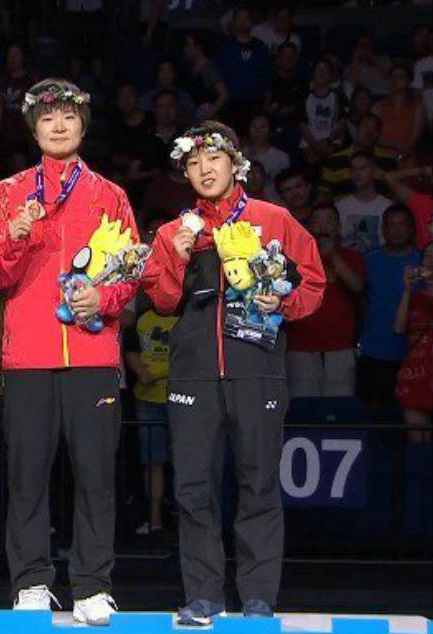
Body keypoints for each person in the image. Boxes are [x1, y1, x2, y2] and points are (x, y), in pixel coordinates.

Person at [141, 121, 324, 625]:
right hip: (193, 375)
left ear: (235, 163)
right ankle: (203, 595)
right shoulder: (172, 232)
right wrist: (177, 256)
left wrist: (283, 300)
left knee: (258, 483)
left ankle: (258, 596)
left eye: (214, 158)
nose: (204, 169)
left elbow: (314, 282)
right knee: (193, 487)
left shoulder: (275, 220)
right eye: (194, 162)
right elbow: (160, 299)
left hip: (257, 372)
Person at [0, 78, 139, 625]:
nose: (58, 126)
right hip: (28, 353)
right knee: (27, 472)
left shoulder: (110, 195)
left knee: (96, 472)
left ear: (83, 125)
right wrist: (18, 234)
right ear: (32, 128)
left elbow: (130, 273)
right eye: (47, 119)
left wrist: (105, 296)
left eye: (68, 117)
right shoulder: (8, 193)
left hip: (94, 353)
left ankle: (93, 584)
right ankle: (31, 581)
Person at [124, 218, 177, 537]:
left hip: (180, 400)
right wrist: (141, 371)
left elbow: (191, 356)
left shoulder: (185, 320)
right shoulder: (141, 318)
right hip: (147, 401)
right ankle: (155, 519)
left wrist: (161, 371)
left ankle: (182, 521)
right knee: (152, 462)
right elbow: (129, 349)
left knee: (186, 463)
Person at [285, 204, 363, 398]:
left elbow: (357, 286)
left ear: (339, 227)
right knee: (304, 408)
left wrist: (332, 255)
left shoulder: (352, 256)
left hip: (341, 346)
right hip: (300, 345)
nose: (322, 227)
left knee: (340, 406)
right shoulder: (296, 257)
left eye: (328, 221)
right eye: (316, 221)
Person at [357, 204, 421, 420]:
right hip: (374, 350)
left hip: (414, 353)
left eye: (402, 224)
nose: (396, 230)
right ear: (382, 228)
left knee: (413, 414)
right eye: (391, 224)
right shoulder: (369, 260)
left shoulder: (423, 262)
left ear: (412, 229)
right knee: (374, 416)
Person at [394, 243, 432, 442]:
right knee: (418, 444)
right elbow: (399, 328)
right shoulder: (416, 298)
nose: (430, 261)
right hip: (417, 375)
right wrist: (407, 290)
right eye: (427, 256)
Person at [335, 153, 393, 253]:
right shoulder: (341, 206)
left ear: (373, 171)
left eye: (362, 168)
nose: (357, 173)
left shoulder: (387, 206)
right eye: (353, 170)